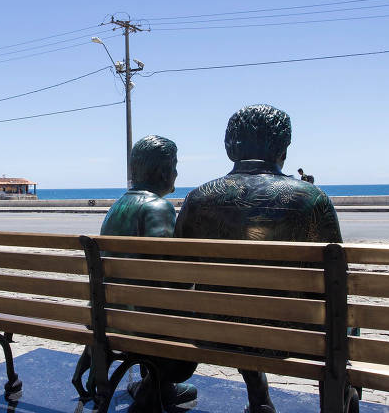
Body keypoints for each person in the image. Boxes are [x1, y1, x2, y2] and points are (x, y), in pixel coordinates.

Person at [175, 105, 342, 413]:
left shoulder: (197, 199)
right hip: (292, 338)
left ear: (229, 147)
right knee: (342, 317)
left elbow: (180, 275)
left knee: (235, 299)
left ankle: (258, 393)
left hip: (213, 331)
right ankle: (341, 399)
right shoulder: (312, 199)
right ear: (283, 148)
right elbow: (332, 283)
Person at [98, 135, 198, 411]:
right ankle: (153, 387)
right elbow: (167, 276)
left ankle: (156, 386)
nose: (177, 172)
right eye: (175, 165)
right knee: (187, 316)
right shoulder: (158, 206)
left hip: (112, 320)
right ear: (165, 170)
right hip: (145, 328)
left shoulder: (116, 207)